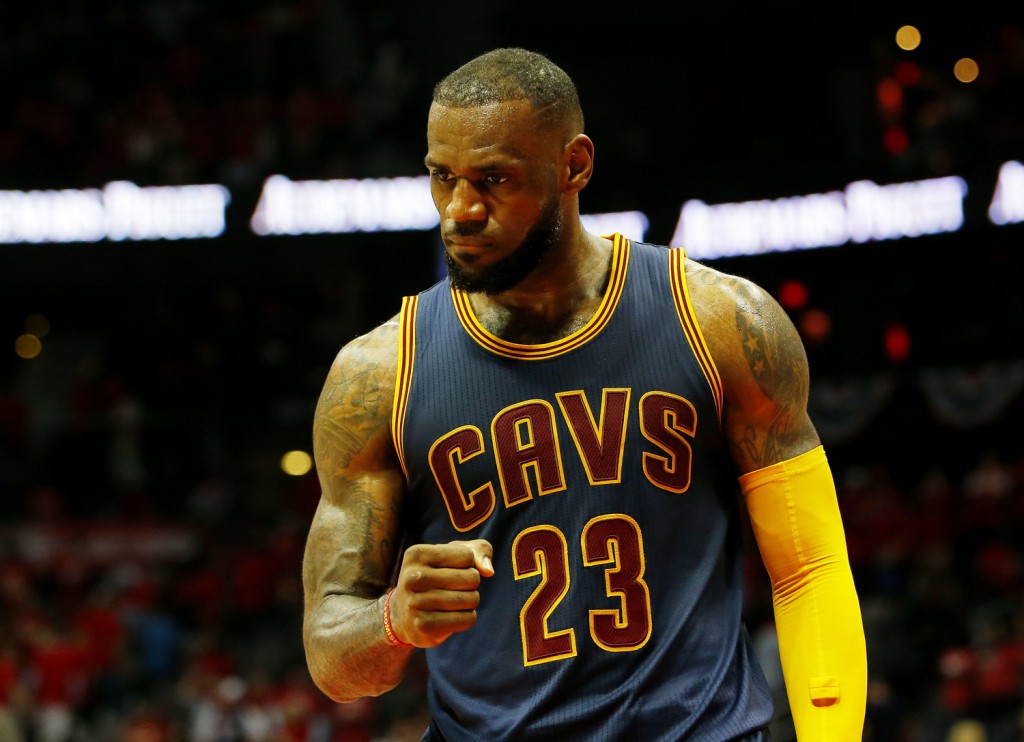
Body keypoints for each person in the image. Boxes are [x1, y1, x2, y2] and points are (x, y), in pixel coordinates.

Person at [301, 46, 868, 741]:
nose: (459, 211)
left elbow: (809, 571)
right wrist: (392, 619)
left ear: (574, 165)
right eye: (441, 178)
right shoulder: (377, 374)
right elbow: (333, 656)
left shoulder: (721, 322)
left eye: (493, 179)